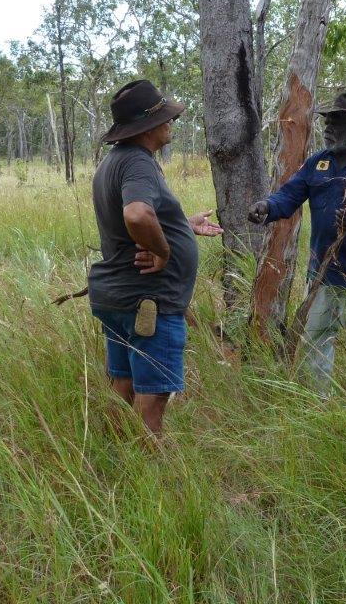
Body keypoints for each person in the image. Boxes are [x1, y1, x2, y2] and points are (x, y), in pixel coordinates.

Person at [88, 79, 222, 435]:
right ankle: (148, 472)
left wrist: (180, 224)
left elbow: (138, 217)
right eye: (166, 117)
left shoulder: (113, 162)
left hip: (118, 297)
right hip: (148, 301)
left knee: (124, 383)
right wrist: (164, 251)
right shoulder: (137, 163)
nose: (171, 123)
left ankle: (116, 458)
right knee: (155, 394)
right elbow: (135, 215)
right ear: (147, 126)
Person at [248, 93, 346, 394]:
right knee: (316, 341)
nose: (328, 126)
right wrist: (267, 206)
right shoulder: (318, 163)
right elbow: (290, 194)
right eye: (327, 120)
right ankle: (320, 401)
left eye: (337, 121)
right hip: (321, 275)